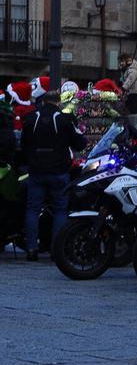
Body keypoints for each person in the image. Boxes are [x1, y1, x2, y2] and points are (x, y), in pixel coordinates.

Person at [21, 90, 86, 261]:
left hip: (36, 171)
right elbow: (80, 143)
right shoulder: (64, 119)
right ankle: (58, 250)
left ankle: (31, 249)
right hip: (59, 172)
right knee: (60, 209)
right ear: (58, 102)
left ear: (43, 101)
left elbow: (23, 144)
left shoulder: (30, 118)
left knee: (33, 209)